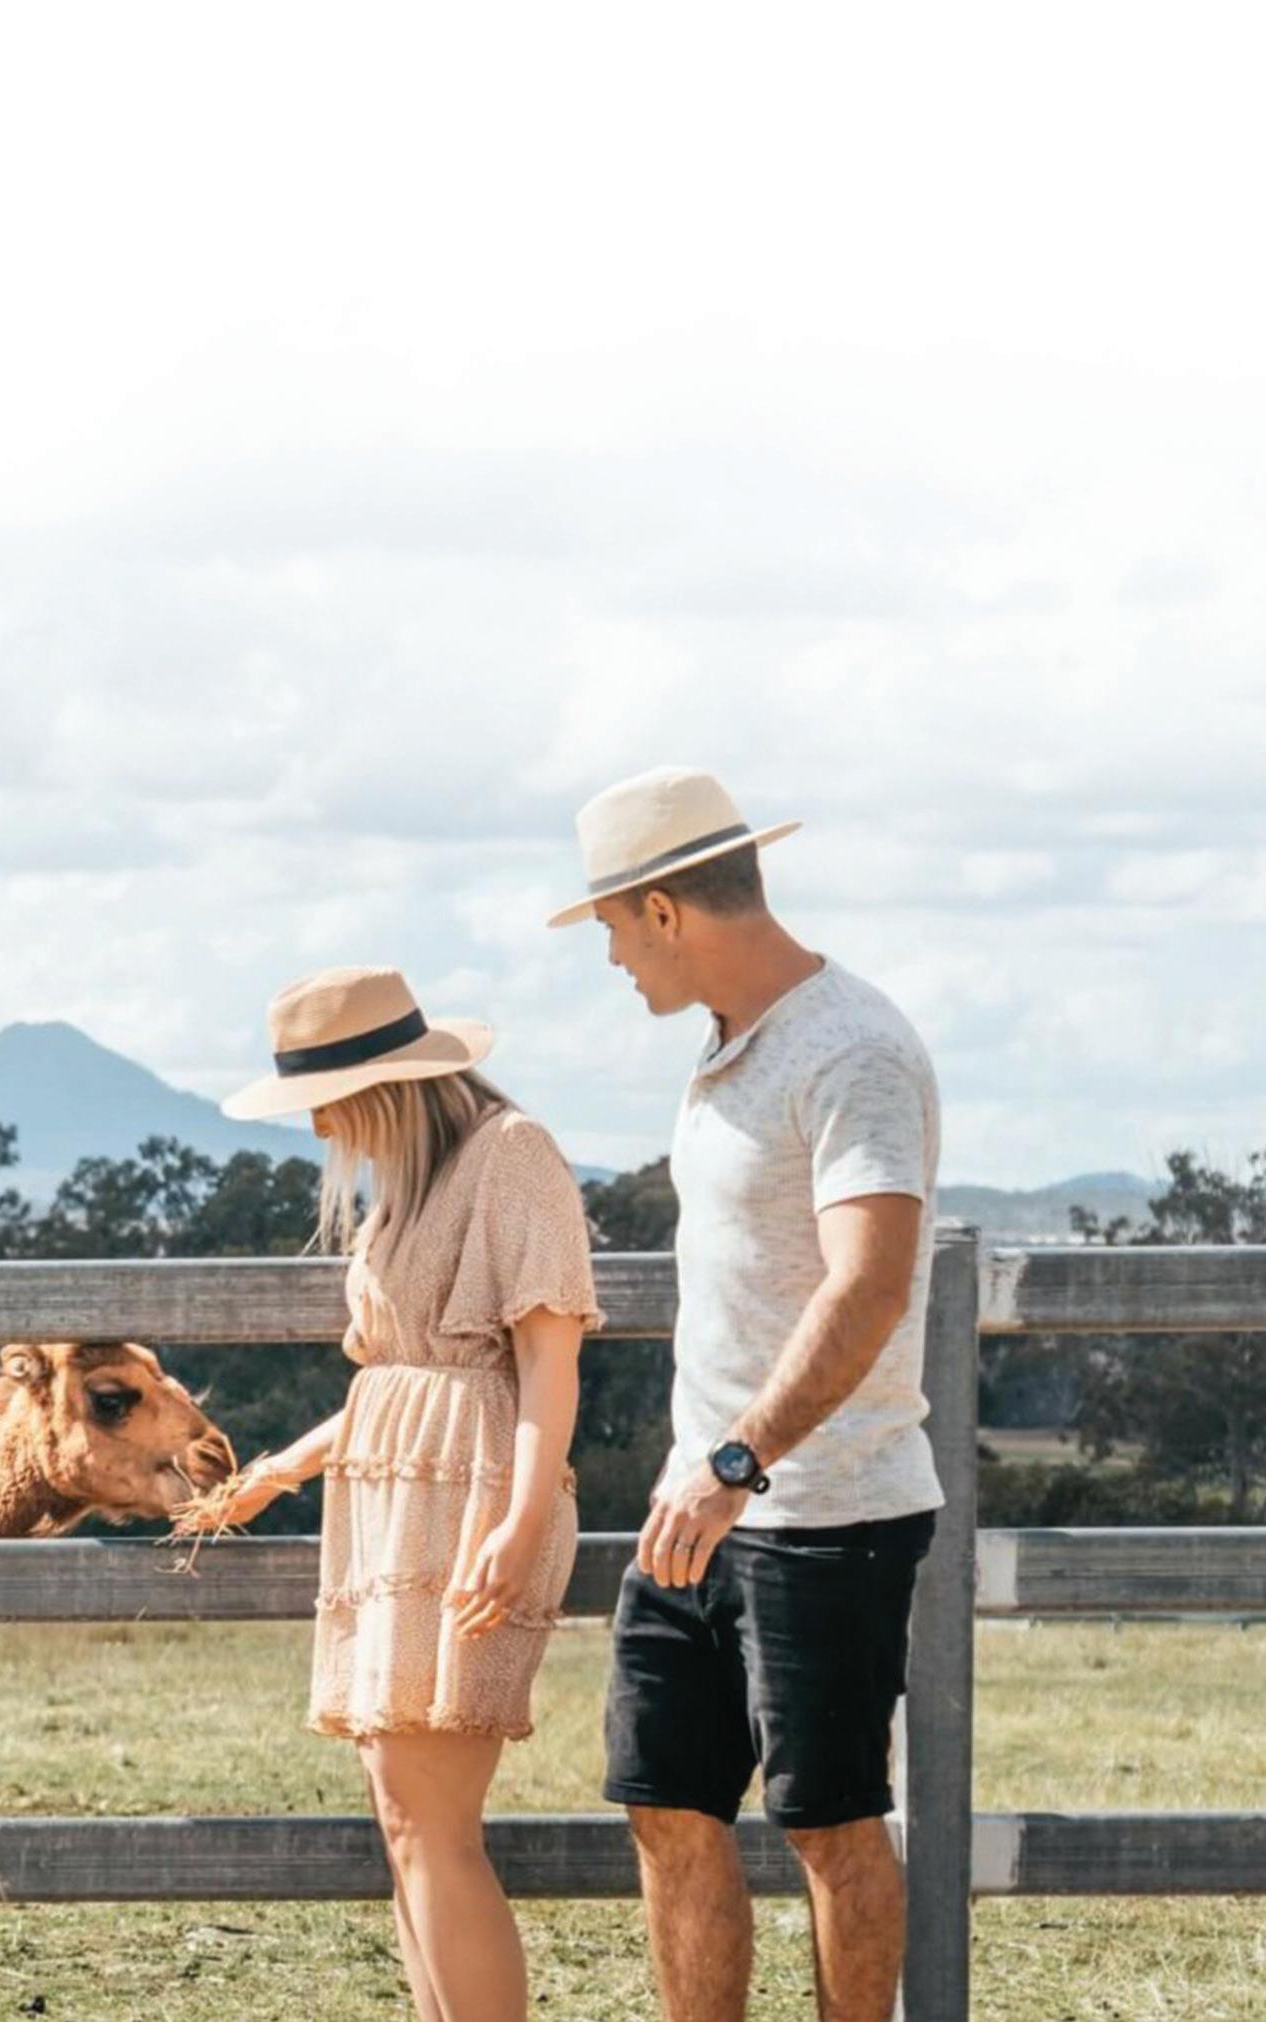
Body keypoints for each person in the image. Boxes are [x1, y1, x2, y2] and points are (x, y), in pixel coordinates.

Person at [548, 766, 943, 2022]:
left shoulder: (851, 1048)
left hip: (822, 1510)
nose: (611, 957)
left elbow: (867, 1286)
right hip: (699, 1504)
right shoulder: (731, 1045)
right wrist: (705, 1475)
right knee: (662, 1802)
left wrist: (738, 1461)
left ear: (664, 910)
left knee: (828, 1823)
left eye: (612, 926)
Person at [175, 963, 601, 2022]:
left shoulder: (511, 1155)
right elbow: (395, 1380)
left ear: (381, 1084)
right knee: (403, 1821)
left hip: (470, 1499)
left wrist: (519, 1519)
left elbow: (547, 1361)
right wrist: (281, 1469)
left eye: (324, 1099)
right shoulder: (406, 1187)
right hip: (391, 1504)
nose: (317, 1125)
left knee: (433, 1824)